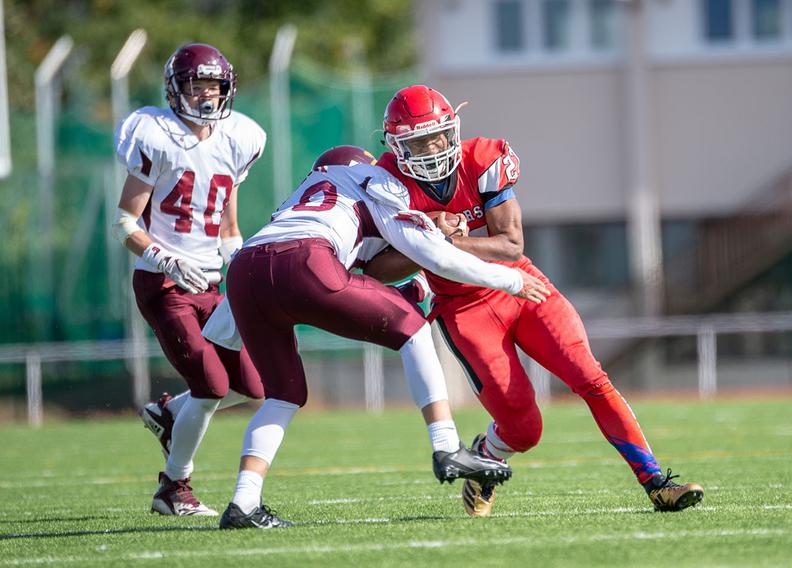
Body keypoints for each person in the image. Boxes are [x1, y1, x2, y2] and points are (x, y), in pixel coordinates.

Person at [366, 85, 705, 517]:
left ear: (452, 130)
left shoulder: (483, 158)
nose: (431, 149)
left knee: (590, 375)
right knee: (525, 430)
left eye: (436, 137)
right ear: (397, 145)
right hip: (462, 310)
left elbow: (509, 244)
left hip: (520, 285)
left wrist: (445, 238)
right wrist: (425, 236)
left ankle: (656, 482)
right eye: (417, 142)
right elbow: (376, 269)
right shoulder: (387, 180)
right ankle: (487, 455)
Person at [208, 145, 550, 529]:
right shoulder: (375, 181)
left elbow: (355, 284)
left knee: (283, 395)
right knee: (414, 330)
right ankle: (447, 447)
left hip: (245, 271)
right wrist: (510, 279)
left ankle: (244, 503)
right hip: (306, 261)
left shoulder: (302, 197)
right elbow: (434, 257)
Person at [112, 43, 266, 516]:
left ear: (228, 90)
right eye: (195, 85)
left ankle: (169, 413)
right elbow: (124, 223)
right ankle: (172, 488)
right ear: (176, 89)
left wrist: (238, 266)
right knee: (212, 385)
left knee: (253, 388)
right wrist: (164, 258)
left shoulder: (238, 138)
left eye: (213, 86)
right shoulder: (154, 134)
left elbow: (228, 226)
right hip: (162, 283)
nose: (205, 96)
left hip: (210, 285)